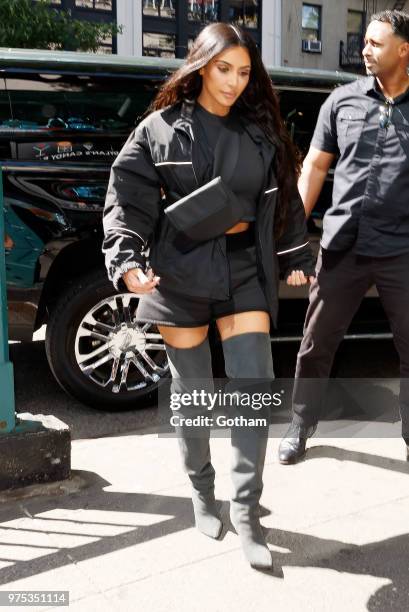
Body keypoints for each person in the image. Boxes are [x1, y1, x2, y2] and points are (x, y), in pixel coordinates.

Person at [103, 22, 314, 569]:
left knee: (253, 391)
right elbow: (126, 201)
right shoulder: (159, 129)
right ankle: (202, 490)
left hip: (245, 268)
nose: (234, 82)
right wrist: (127, 261)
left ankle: (246, 512)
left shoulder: (260, 132)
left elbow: (284, 202)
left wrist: (294, 257)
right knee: (193, 395)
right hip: (181, 271)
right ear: (201, 65)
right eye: (225, 69)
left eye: (245, 72)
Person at [279, 9, 409, 465]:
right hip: (343, 247)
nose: (365, 49)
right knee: (316, 342)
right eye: (365, 41)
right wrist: (292, 231)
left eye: (375, 42)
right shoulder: (342, 101)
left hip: (402, 251)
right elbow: (314, 166)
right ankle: (300, 424)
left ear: (404, 49)